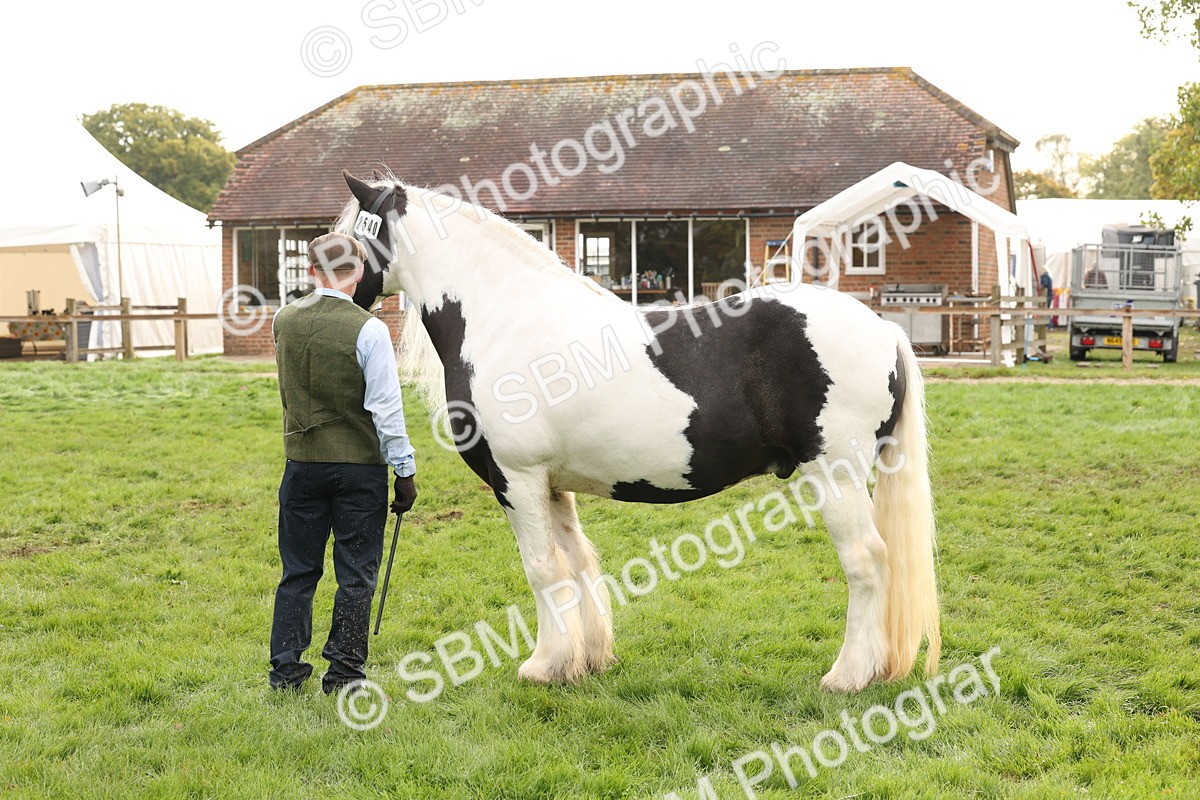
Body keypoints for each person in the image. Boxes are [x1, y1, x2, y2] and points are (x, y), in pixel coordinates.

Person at [268, 231, 418, 694]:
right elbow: (386, 409)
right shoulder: (369, 330)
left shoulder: (283, 320)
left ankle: (286, 671)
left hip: (302, 465)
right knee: (356, 574)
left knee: (298, 572)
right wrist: (405, 470)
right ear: (359, 273)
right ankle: (345, 673)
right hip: (359, 470)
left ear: (311, 270)